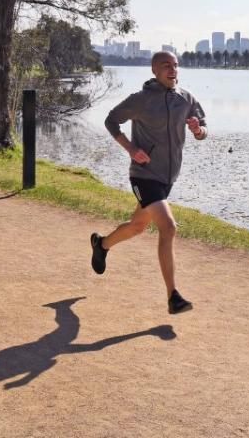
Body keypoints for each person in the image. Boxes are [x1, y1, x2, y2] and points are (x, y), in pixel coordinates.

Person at [89, 51, 207, 314]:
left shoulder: (185, 99)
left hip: (168, 177)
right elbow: (111, 120)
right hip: (143, 175)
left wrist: (198, 130)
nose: (173, 69)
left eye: (176, 65)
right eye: (167, 65)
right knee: (168, 227)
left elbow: (204, 129)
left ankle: (102, 245)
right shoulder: (141, 100)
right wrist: (130, 149)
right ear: (155, 70)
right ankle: (173, 296)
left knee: (138, 226)